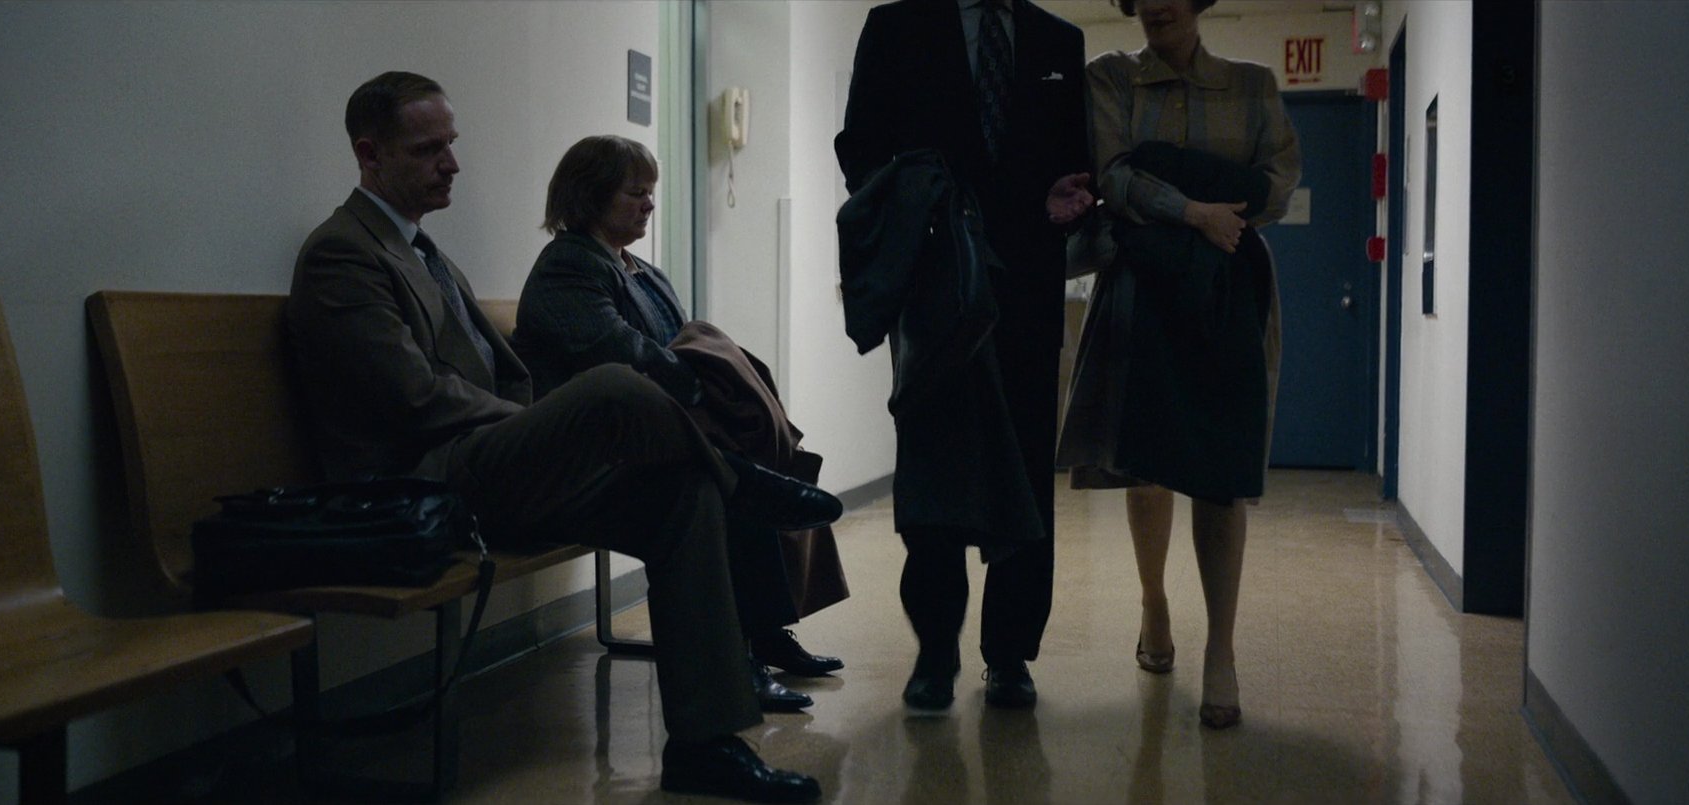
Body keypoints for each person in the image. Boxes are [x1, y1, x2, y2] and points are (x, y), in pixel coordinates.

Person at [286, 70, 824, 802]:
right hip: (417, 485)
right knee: (613, 384)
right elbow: (411, 397)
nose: (451, 163)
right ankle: (747, 484)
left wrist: (538, 424)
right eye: (428, 149)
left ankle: (707, 744)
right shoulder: (343, 253)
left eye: (451, 143)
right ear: (369, 154)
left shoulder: (423, 251)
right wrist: (533, 423)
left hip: (486, 470)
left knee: (681, 493)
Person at [510, 135, 849, 713]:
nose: (648, 204)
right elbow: (616, 351)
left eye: (651, 192)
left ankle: (765, 631)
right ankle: (738, 651)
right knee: (722, 481)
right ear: (590, 196)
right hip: (597, 444)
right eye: (635, 193)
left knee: (751, 456)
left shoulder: (641, 270)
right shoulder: (569, 266)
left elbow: (673, 341)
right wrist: (697, 387)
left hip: (652, 427)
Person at [835, 0, 1095, 712]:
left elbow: (1078, 162)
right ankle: (935, 650)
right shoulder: (897, 26)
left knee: (1027, 469)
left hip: (1028, 286)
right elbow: (859, 149)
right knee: (935, 471)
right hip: (933, 286)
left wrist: (1073, 196)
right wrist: (913, 208)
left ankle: (1010, 655)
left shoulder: (1057, 40)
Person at [1055, 0, 1301, 730]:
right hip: (1145, 288)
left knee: (1221, 474)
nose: (1157, 3)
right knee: (1148, 462)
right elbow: (1114, 178)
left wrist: (1165, 178)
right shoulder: (1109, 78)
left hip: (1228, 290)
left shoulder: (1252, 85)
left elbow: (1276, 185)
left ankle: (1221, 649)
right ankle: (1154, 604)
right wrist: (1199, 208)